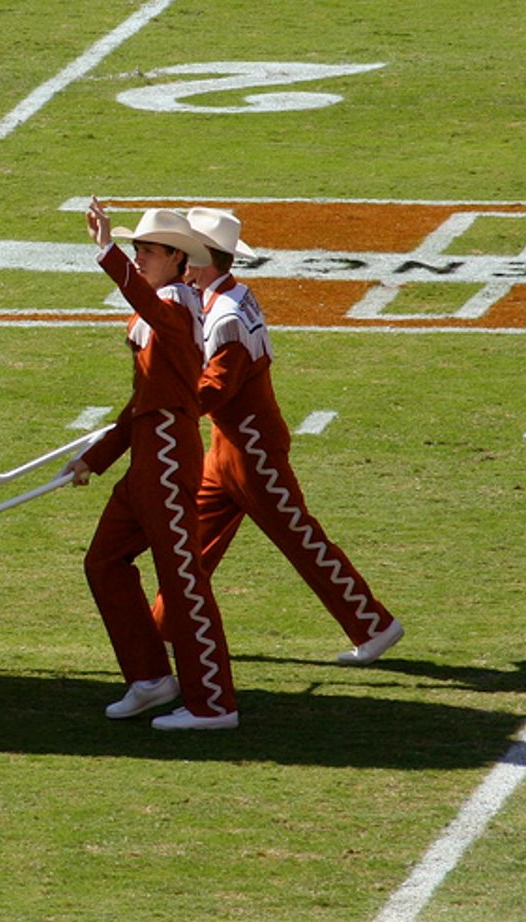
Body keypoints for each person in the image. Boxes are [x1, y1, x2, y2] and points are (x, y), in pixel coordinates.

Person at [151, 209, 404, 666]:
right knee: (190, 543)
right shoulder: (224, 297)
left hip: (252, 450)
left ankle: (374, 625)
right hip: (227, 447)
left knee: (300, 540)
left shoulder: (226, 312)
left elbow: (216, 388)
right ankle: (161, 628)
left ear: (203, 259)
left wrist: (167, 406)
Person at [64, 203, 238, 731]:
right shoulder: (158, 306)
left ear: (178, 259)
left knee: (182, 581)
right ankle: (150, 678)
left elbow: (157, 401)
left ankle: (214, 703)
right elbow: (145, 399)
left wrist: (106, 252)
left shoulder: (177, 304)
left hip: (165, 461)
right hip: (147, 459)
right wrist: (95, 459)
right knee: (104, 563)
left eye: (147, 250)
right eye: (135, 249)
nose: (139, 258)